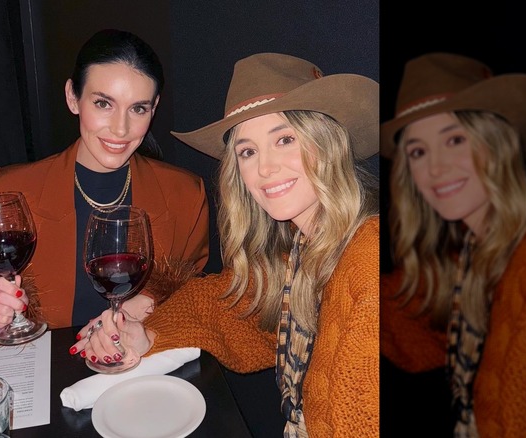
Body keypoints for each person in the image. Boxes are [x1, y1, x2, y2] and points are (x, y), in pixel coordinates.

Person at [71, 53, 380, 436]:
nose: (264, 168)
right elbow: (226, 306)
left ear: (328, 143)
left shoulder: (368, 261)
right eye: (247, 151)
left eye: (284, 139)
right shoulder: (302, 250)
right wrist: (147, 332)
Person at [0, 29, 209, 351]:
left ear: (154, 108)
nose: (120, 128)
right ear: (73, 97)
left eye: (138, 108)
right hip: (47, 369)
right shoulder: (12, 189)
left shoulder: (185, 193)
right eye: (103, 103)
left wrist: (149, 301)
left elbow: (192, 296)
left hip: (143, 366)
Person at [379, 52, 526, 437]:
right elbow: (407, 320)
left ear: (497, 144)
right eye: (418, 152)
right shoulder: (474, 253)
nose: (435, 169)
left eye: (454, 139)